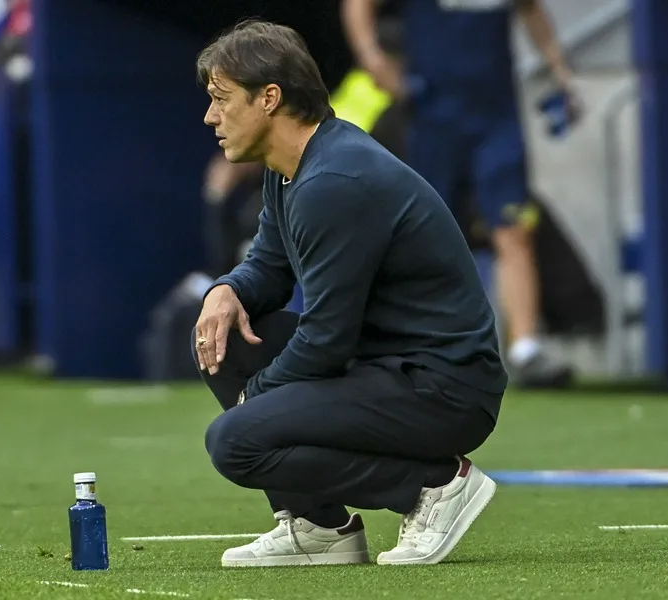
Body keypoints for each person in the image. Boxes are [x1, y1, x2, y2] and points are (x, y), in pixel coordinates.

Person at [192, 19, 505, 568]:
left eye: (221, 99)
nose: (210, 117)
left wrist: (254, 403)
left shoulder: (333, 182)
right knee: (226, 339)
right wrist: (226, 289)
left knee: (234, 442)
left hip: (442, 387)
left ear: (269, 98)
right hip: (382, 365)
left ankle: (435, 484)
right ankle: (320, 527)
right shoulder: (290, 166)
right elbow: (269, 266)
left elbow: (327, 341)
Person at [342, 0, 579, 388]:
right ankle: (420, 343)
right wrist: (373, 59)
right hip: (434, 117)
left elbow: (532, 10)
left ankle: (525, 348)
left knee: (515, 227)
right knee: (426, 232)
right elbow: (358, 5)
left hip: (496, 117)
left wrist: (560, 73)